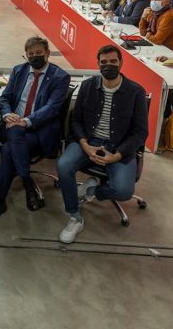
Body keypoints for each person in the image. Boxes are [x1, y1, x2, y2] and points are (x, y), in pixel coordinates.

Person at [56, 45, 148, 244]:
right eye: (104, 62)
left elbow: (140, 132)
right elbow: (76, 120)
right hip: (89, 140)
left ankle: (92, 191)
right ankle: (74, 216)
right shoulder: (88, 86)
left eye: (113, 62)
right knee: (64, 166)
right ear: (97, 64)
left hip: (119, 146)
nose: (108, 66)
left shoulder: (136, 92)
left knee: (124, 191)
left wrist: (118, 155)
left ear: (121, 63)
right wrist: (84, 144)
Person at [0, 37, 71, 223]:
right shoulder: (19, 70)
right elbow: (5, 99)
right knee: (14, 130)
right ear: (26, 55)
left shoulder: (60, 77)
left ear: (47, 53)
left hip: (38, 130)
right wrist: (7, 115)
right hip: (13, 125)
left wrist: (27, 121)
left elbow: (52, 108)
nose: (35, 57)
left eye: (39, 53)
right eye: (31, 54)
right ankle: (27, 182)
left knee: (7, 150)